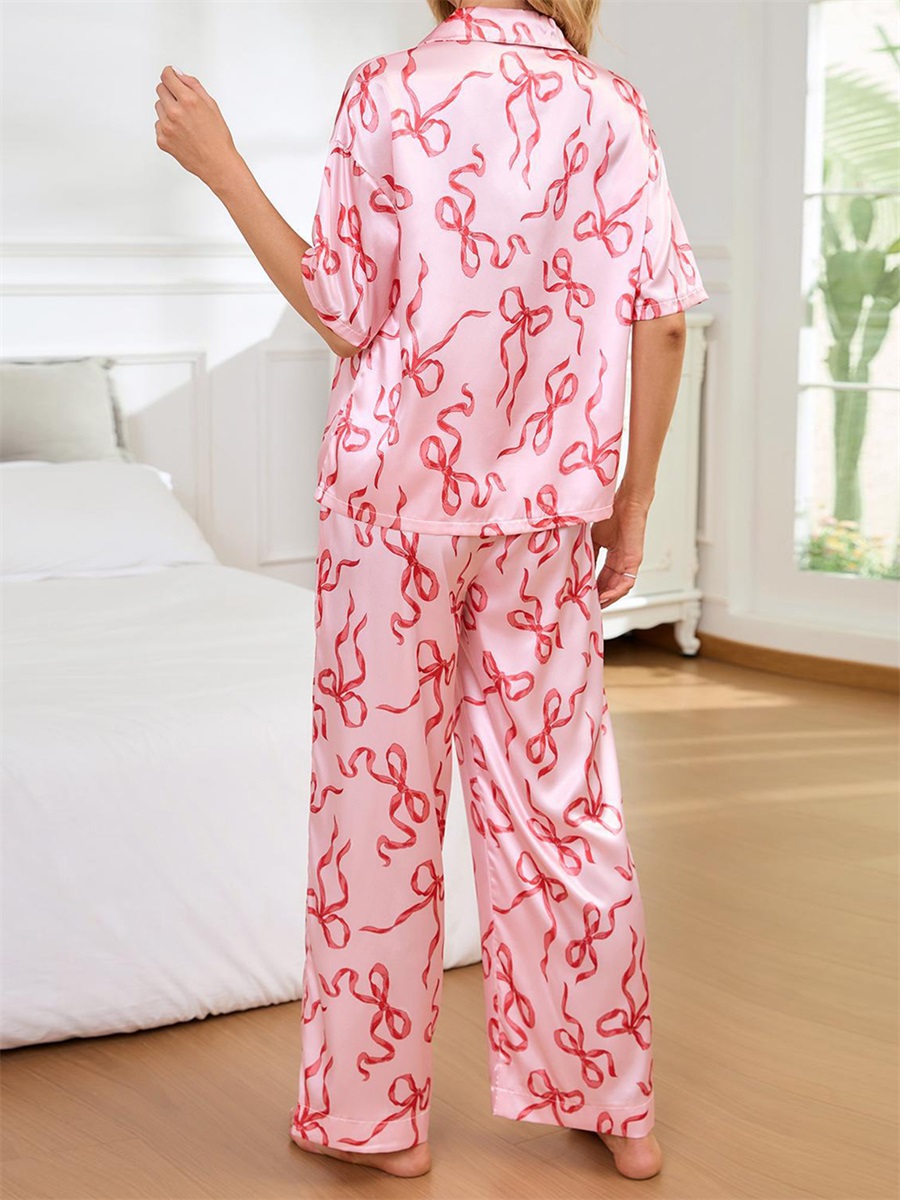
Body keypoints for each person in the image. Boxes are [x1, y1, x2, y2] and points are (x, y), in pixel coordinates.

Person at [154, 0, 708, 1183]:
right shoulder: (610, 106)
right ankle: (615, 1105)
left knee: (379, 804)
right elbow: (662, 327)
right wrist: (634, 500)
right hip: (543, 514)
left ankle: (375, 1122)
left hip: (391, 510)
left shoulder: (389, 88)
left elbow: (344, 312)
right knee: (562, 804)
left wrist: (224, 167)